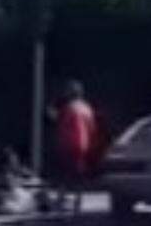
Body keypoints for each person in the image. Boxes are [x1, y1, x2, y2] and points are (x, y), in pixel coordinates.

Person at [54, 80, 98, 215]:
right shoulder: (87, 108)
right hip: (83, 145)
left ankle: (61, 201)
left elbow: (63, 126)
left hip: (68, 144)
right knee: (79, 175)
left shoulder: (70, 108)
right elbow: (92, 128)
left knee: (65, 174)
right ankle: (78, 202)